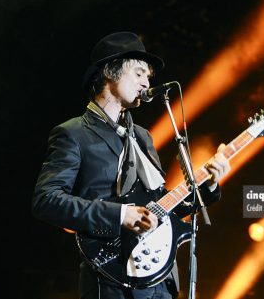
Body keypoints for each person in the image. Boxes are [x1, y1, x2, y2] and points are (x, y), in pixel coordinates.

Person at [32, 32, 230, 299]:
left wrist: (210, 184)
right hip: (111, 275)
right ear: (109, 72)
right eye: (139, 73)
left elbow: (162, 207)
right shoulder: (73, 133)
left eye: (148, 77)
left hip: (160, 278)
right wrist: (121, 215)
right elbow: (46, 200)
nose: (146, 82)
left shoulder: (143, 137)